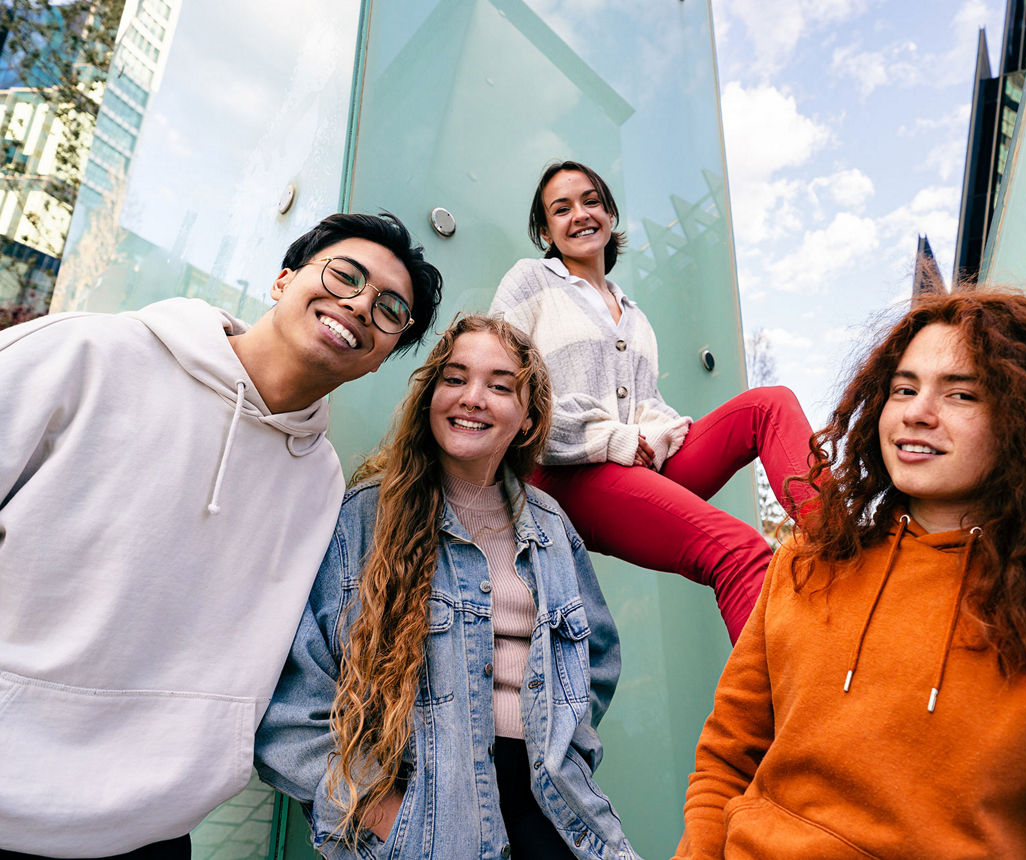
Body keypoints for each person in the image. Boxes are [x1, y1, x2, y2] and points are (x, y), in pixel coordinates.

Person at [673, 289, 1026, 859]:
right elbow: (726, 759)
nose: (917, 412)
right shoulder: (806, 563)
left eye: (962, 393)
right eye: (904, 388)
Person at [0, 212, 443, 859]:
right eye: (345, 275)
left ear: (382, 357)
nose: (358, 304)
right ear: (282, 279)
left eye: (389, 309)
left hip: (151, 829)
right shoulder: (89, 354)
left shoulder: (322, 482)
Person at [254, 316, 639, 860]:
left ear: (527, 419)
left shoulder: (551, 526)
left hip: (557, 811)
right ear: (431, 395)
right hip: (426, 819)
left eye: (501, 386)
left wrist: (565, 749)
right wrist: (383, 811)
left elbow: (595, 662)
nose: (473, 398)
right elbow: (294, 707)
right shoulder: (367, 516)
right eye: (455, 379)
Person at [490, 160, 815, 642]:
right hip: (563, 473)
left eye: (591, 201)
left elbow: (649, 407)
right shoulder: (531, 282)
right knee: (740, 552)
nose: (579, 214)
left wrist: (657, 433)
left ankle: (846, 553)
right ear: (546, 231)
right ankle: (779, 711)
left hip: (636, 467)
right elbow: (500, 387)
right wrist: (611, 438)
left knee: (770, 404)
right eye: (562, 209)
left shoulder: (636, 316)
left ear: (610, 214)